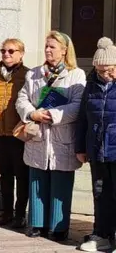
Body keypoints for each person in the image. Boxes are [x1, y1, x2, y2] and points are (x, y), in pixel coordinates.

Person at [17, 31, 86, 241]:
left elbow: (78, 105)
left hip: (62, 137)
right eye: (46, 46)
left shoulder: (77, 74)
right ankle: (37, 224)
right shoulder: (34, 74)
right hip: (38, 136)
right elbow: (22, 99)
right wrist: (31, 113)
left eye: (52, 47)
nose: (47, 50)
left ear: (64, 51)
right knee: (37, 181)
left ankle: (59, 226)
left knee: (60, 184)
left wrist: (52, 115)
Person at [0, 38, 29, 228]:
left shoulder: (28, 74)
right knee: (5, 173)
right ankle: (7, 212)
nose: (6, 54)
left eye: (11, 51)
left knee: (21, 172)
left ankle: (20, 214)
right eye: (3, 51)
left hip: (17, 130)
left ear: (21, 54)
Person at [76, 37, 116, 252]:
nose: (105, 75)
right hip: (97, 149)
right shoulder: (91, 86)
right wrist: (80, 147)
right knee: (101, 194)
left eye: (110, 70)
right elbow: (83, 118)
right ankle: (101, 235)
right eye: (101, 71)